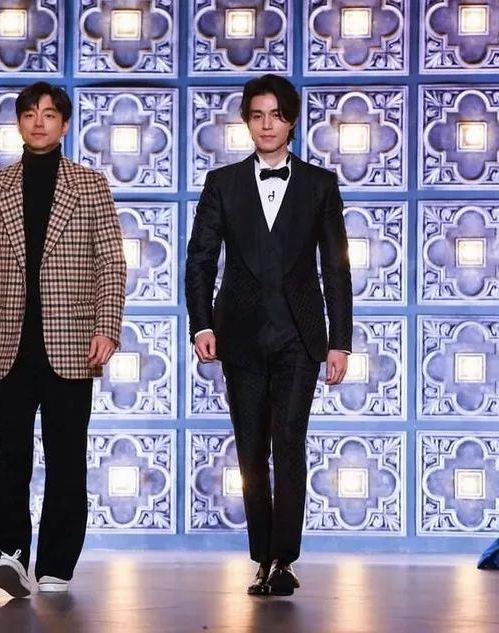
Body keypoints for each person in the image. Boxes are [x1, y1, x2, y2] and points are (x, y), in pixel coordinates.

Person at [185, 73, 353, 597]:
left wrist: (340, 341)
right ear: (246, 121)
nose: (266, 125)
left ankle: (283, 558)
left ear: (292, 122)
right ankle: (261, 557)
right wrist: (201, 323)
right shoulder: (223, 183)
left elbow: (336, 267)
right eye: (257, 115)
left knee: (289, 442)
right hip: (239, 335)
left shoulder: (320, 185)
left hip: (300, 337)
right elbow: (200, 259)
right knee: (251, 450)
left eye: (276, 115)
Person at [0, 81, 126, 598]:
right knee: (12, 456)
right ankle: (9, 551)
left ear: (65, 124)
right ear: (18, 123)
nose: (38, 122)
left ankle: (56, 563)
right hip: (7, 342)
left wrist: (107, 327)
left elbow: (111, 263)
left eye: (49, 114)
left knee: (67, 458)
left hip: (72, 341)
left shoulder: (90, 185)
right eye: (30, 113)